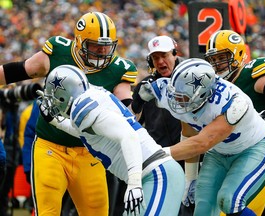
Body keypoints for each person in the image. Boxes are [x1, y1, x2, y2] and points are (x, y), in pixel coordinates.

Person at [0, 11, 138, 215]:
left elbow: (127, 108)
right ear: (80, 41)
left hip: (89, 151)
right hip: (50, 147)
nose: (101, 51)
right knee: (48, 212)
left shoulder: (119, 69)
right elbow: (20, 70)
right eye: (95, 46)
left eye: (106, 46)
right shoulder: (59, 51)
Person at [37, 64, 185, 216]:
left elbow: (129, 136)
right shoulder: (90, 99)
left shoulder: (84, 109)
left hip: (156, 175)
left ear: (64, 95)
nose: (54, 103)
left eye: (55, 98)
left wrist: (134, 184)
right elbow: (85, 132)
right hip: (149, 175)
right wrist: (55, 121)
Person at [139, 58, 265, 215]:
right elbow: (189, 134)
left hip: (252, 149)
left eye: (182, 96)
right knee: (203, 210)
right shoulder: (180, 95)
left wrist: (155, 156)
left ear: (202, 93)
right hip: (218, 152)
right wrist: (190, 178)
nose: (176, 100)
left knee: (230, 201)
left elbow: (201, 143)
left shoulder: (232, 103)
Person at [204, 29, 265, 216]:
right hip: (238, 164)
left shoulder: (251, 73)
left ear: (238, 54)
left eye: (221, 58)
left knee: (227, 209)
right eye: (214, 60)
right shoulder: (217, 88)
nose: (217, 64)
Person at [132, 35, 193, 215]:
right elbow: (132, 119)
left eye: (164, 56)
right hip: (160, 158)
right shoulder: (146, 85)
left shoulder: (191, 77)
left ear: (174, 54)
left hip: (191, 156)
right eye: (155, 57)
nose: (160, 61)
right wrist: (138, 99)